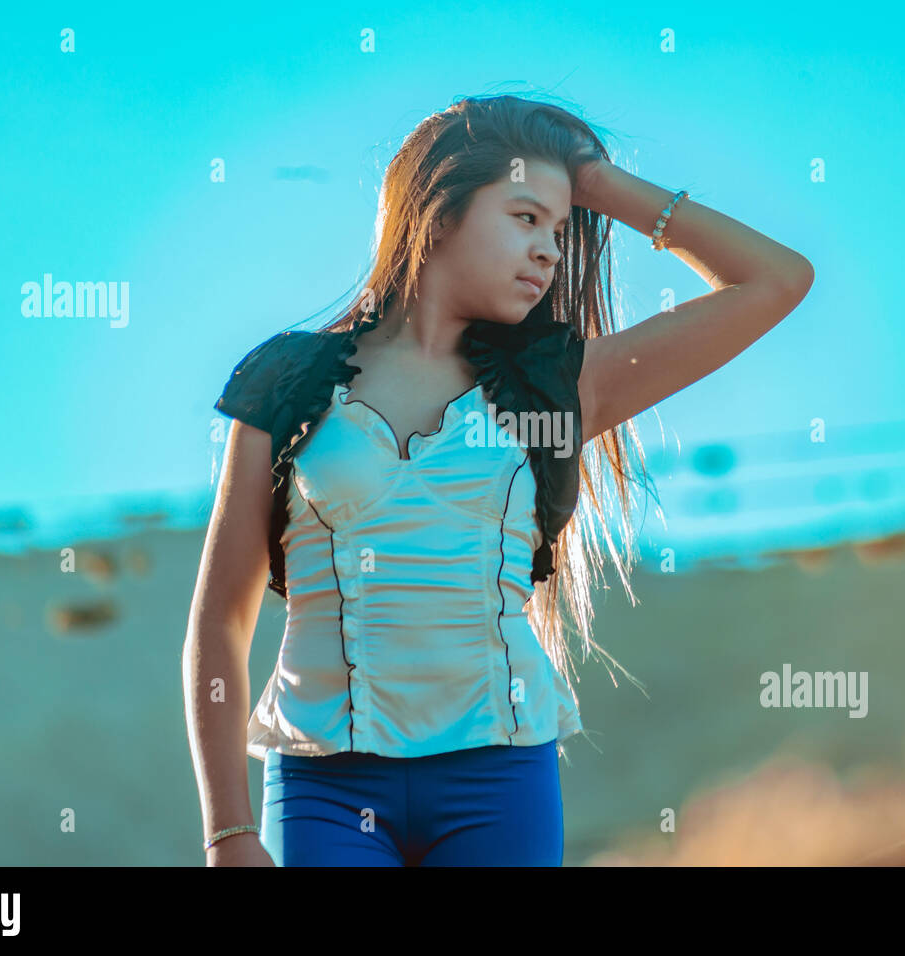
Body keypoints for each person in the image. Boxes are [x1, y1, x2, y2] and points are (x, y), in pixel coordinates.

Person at [182, 94, 814, 867]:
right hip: (324, 783)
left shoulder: (559, 385)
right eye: (524, 217)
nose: (550, 251)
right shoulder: (283, 382)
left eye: (559, 229)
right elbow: (220, 622)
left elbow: (776, 279)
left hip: (499, 776)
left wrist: (599, 185)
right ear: (439, 211)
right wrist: (228, 832)